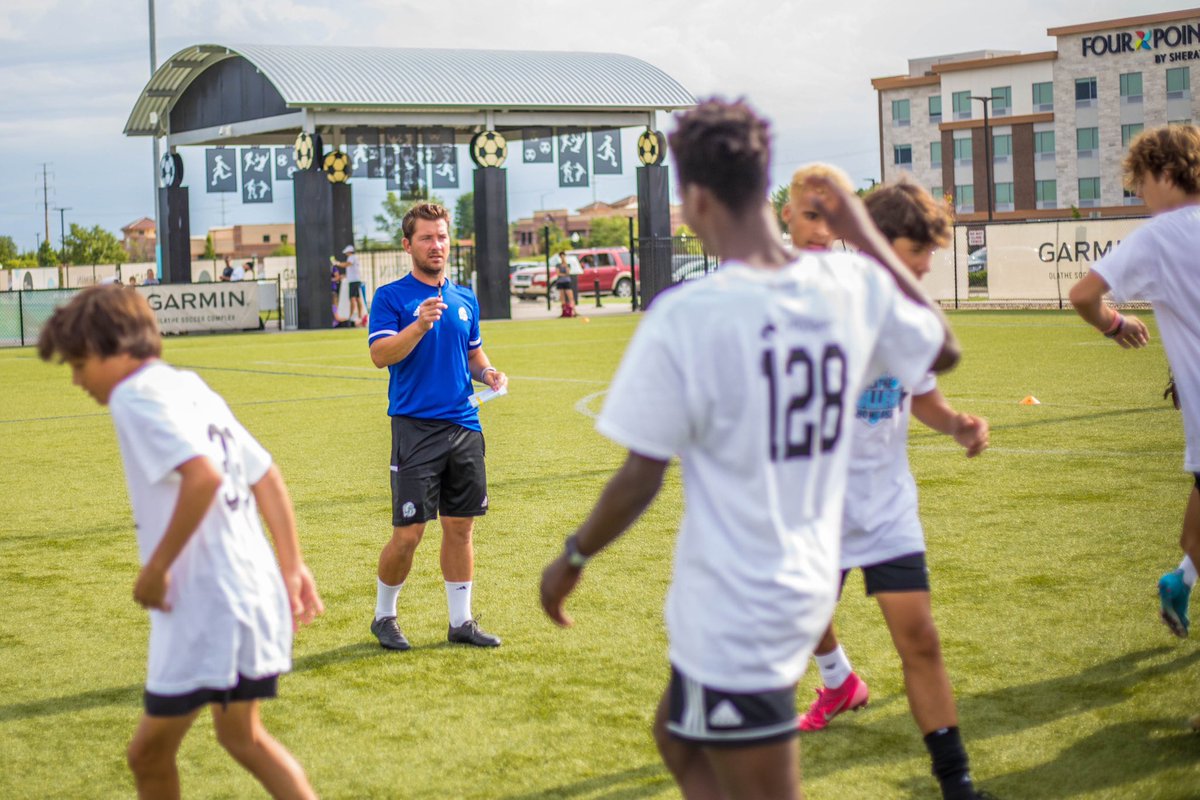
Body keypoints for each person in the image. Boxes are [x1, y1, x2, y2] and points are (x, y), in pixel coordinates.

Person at [540, 98, 960, 800]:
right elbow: (941, 349)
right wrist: (862, 230)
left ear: (696, 197)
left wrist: (573, 555)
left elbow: (643, 474)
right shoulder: (849, 282)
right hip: (800, 568)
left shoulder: (690, 312)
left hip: (742, 597)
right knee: (674, 735)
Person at [36, 284, 323, 800]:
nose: (77, 379)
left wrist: (156, 568)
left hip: (207, 604)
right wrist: (292, 566)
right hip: (250, 590)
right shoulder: (188, 385)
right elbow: (267, 476)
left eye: (79, 363)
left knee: (148, 753)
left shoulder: (133, 395)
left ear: (113, 347)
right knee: (242, 737)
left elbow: (204, 478)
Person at [787, 179, 992, 800]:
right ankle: (838, 682)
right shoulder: (816, 303)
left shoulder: (909, 320)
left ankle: (956, 782)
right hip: (815, 510)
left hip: (885, 512)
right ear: (876, 243)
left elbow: (924, 397)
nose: (929, 263)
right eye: (917, 249)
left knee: (920, 641)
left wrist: (956, 424)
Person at [1069, 124, 1200, 642]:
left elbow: (1083, 295)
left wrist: (1114, 323)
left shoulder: (1159, 237)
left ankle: (1181, 579)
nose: (1141, 197)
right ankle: (1181, 580)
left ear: (1165, 174)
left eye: (1141, 184)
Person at [366, 203, 507, 650]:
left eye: (442, 237)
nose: (437, 245)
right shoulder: (391, 297)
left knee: (460, 528)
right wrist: (419, 326)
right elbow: (380, 355)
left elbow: (473, 354)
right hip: (415, 429)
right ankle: (384, 616)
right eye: (427, 238)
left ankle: (460, 622)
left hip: (465, 425)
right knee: (409, 534)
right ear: (408, 245)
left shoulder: (465, 298)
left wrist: (489, 374)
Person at [781, 162, 856, 252]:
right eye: (811, 216)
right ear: (787, 213)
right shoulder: (766, 264)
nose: (822, 232)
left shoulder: (853, 265)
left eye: (832, 221)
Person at [335, 245, 367, 325]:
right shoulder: (354, 258)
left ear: (349, 252)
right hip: (355, 280)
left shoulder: (351, 257)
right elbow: (352, 270)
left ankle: (352, 316)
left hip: (353, 281)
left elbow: (347, 264)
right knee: (357, 298)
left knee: (353, 298)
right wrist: (344, 276)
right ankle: (359, 316)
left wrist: (337, 263)